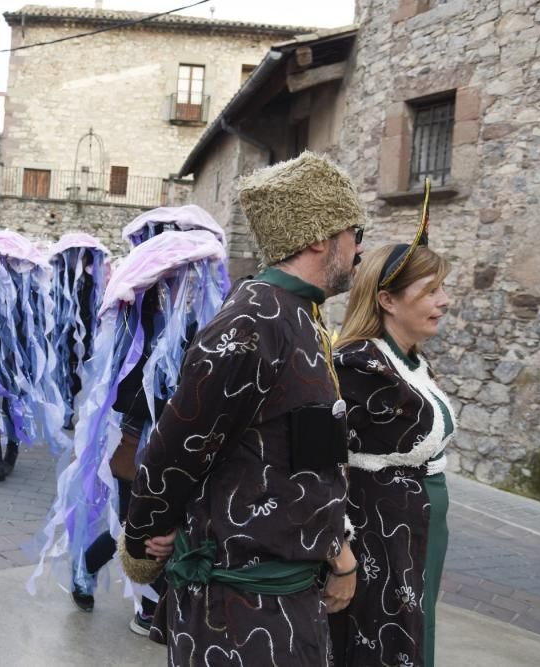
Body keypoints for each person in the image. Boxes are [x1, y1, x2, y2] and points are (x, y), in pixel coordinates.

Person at [118, 151, 364, 665]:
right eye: (353, 230)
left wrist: (337, 554)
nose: (359, 246)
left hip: (286, 602)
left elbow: (313, 457)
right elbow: (178, 442)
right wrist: (144, 536)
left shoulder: (302, 316)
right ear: (320, 236)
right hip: (239, 612)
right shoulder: (253, 321)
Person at [31, 214, 230, 639]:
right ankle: (108, 576)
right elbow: (123, 380)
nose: (187, 281)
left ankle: (143, 594)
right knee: (135, 520)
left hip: (183, 432)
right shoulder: (133, 304)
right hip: (134, 432)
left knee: (170, 518)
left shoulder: (202, 313)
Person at [329, 182, 455, 667]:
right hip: (380, 531)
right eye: (430, 290)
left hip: (417, 525)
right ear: (386, 299)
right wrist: (339, 550)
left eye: (443, 287)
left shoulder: (411, 362)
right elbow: (325, 462)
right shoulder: (361, 365)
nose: (444, 301)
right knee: (382, 640)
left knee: (416, 630)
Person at [0, 230, 68, 484]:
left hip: (18, 360)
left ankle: (11, 452)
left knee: (13, 406)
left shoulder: (29, 290)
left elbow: (35, 330)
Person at [48, 233, 109, 430]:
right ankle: (65, 409)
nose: (77, 260)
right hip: (63, 333)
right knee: (63, 368)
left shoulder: (93, 282)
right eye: (74, 256)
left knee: (79, 371)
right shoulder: (59, 279)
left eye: (81, 256)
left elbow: (97, 305)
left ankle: (73, 404)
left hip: (86, 334)